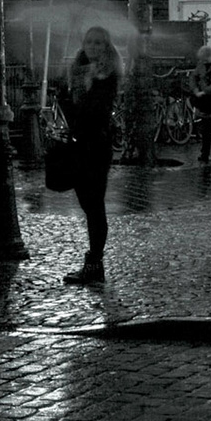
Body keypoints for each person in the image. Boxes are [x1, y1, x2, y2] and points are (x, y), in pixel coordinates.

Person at [59, 25, 122, 286]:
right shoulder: (76, 72)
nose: (93, 47)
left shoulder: (107, 75)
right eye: (89, 42)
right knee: (87, 205)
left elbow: (93, 113)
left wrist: (77, 99)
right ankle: (93, 266)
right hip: (78, 145)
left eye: (99, 43)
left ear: (106, 47)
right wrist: (64, 94)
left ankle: (94, 265)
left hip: (95, 146)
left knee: (94, 206)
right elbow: (70, 108)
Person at [186, 44, 211, 163]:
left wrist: (204, 91)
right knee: (205, 129)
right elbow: (193, 77)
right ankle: (205, 154)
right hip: (205, 102)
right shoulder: (201, 64)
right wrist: (195, 90)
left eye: (205, 59)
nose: (203, 61)